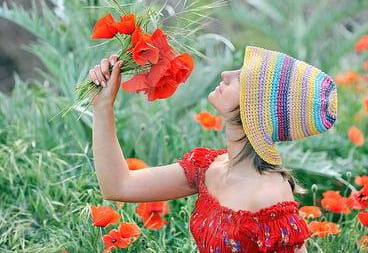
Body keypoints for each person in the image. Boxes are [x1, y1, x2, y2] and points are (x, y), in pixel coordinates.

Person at [88, 46, 338, 253]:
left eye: (240, 77)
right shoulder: (209, 167)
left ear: (257, 107)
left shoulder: (269, 196)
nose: (226, 74)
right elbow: (119, 186)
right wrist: (102, 107)